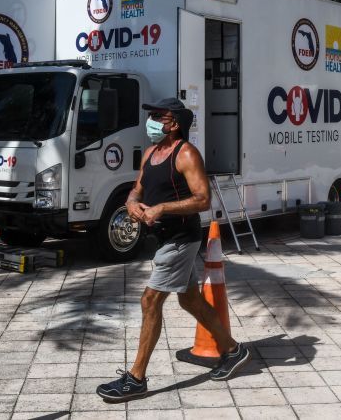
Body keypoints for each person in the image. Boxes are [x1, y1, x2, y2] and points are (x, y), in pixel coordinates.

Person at [96, 97, 250, 402]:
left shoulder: (186, 154)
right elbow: (138, 187)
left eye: (158, 116)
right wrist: (130, 203)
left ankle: (136, 378)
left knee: (150, 300)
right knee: (190, 300)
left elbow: (203, 199)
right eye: (150, 115)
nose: (151, 121)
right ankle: (233, 350)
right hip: (163, 238)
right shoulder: (152, 153)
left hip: (181, 236)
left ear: (174, 124)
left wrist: (162, 208)